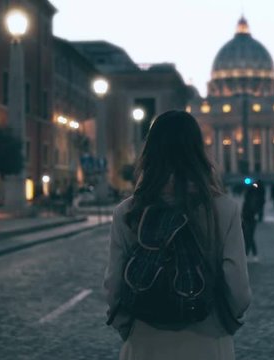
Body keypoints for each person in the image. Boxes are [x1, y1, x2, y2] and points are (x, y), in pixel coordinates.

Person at [104, 110, 251, 360]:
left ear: (149, 151)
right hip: (208, 341)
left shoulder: (127, 211)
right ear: (198, 151)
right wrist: (226, 323)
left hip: (144, 343)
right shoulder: (224, 209)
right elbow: (238, 290)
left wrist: (130, 329)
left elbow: (113, 288)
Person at [242, 184, 260, 262]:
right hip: (250, 220)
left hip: (249, 220)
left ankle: (248, 254)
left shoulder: (249, 199)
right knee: (249, 237)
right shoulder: (253, 198)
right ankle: (253, 254)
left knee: (249, 237)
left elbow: (247, 210)